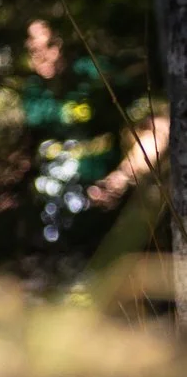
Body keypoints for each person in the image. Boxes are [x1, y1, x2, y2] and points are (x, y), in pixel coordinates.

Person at [18, 17, 168, 266]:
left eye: (50, 45)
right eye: (33, 49)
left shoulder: (92, 72)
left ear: (63, 43)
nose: (43, 55)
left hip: (111, 187)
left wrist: (119, 178)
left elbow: (136, 92)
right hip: (58, 204)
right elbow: (37, 119)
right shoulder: (33, 92)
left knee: (161, 127)